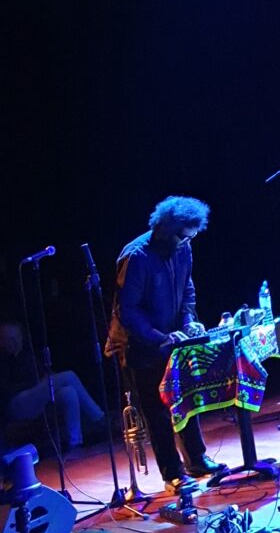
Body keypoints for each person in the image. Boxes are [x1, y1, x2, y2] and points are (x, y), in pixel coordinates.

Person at [105, 196, 224, 491]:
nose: (187, 242)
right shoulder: (136, 257)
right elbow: (127, 311)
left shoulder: (183, 247)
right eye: (183, 237)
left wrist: (187, 321)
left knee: (186, 398)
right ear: (165, 229)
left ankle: (196, 460)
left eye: (191, 237)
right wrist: (160, 338)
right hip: (139, 345)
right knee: (158, 410)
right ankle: (172, 472)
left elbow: (187, 289)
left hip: (171, 338)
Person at [0, 320, 106, 452]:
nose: (15, 342)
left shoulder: (28, 354)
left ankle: (75, 444)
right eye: (10, 339)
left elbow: (43, 374)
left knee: (69, 392)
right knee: (68, 376)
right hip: (16, 403)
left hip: (36, 398)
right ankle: (100, 418)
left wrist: (48, 379)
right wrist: (38, 384)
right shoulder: (3, 361)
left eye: (17, 337)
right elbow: (5, 390)